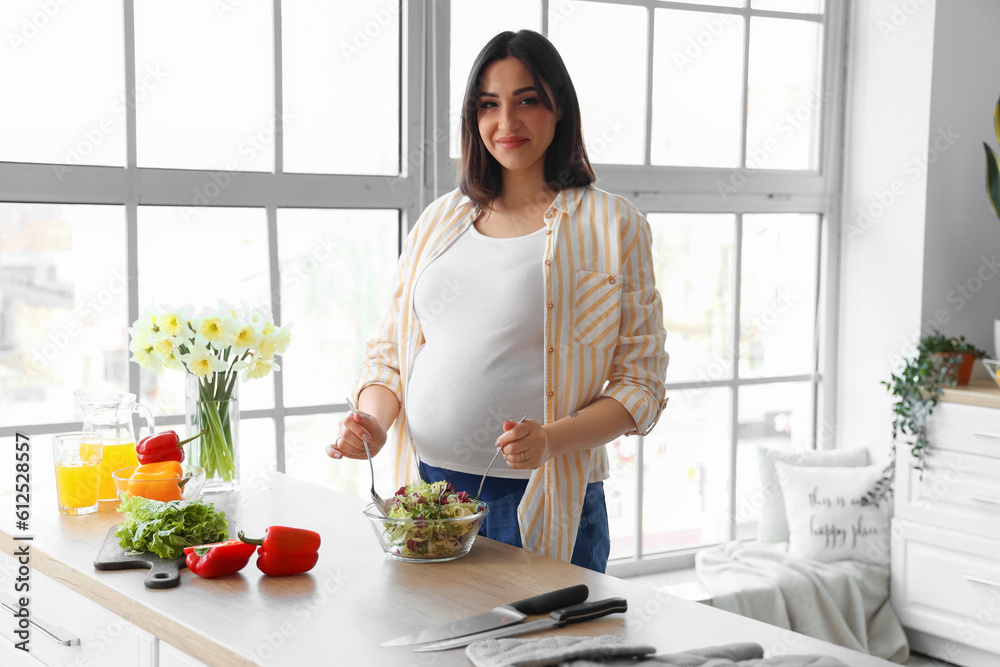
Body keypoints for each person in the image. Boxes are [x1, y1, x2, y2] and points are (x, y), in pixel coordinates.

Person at [327, 29, 667, 573]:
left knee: (541, 653)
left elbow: (641, 384)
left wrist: (552, 441)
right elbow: (391, 352)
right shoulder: (440, 220)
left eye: (527, 100)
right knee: (437, 655)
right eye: (489, 104)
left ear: (559, 108)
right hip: (430, 493)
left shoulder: (612, 225)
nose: (505, 124)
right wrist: (371, 421)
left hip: (540, 497)